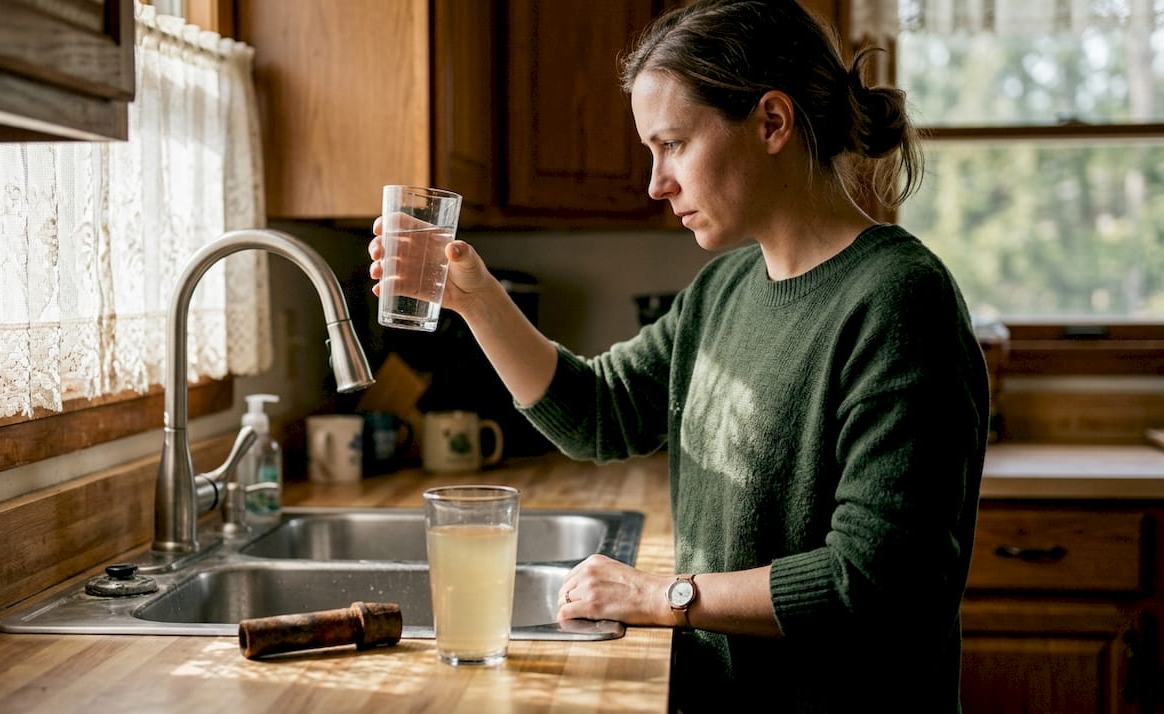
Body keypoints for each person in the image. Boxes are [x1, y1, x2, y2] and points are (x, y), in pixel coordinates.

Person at [368, 1, 989, 711]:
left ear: (772, 123)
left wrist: (663, 595)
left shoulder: (900, 299)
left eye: (674, 145)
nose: (655, 183)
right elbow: (599, 414)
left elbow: (879, 585)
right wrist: (474, 299)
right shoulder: (724, 287)